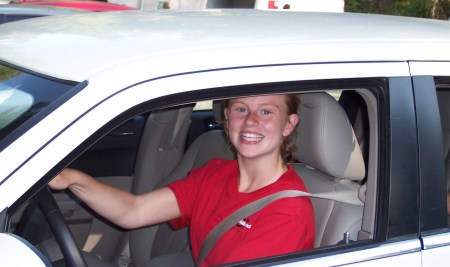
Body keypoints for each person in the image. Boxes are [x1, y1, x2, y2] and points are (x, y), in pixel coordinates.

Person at [49, 94, 315, 266]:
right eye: (241, 109)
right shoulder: (214, 173)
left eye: (266, 112)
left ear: (289, 125)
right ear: (226, 116)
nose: (251, 121)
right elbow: (135, 210)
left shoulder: (288, 212)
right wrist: (72, 178)